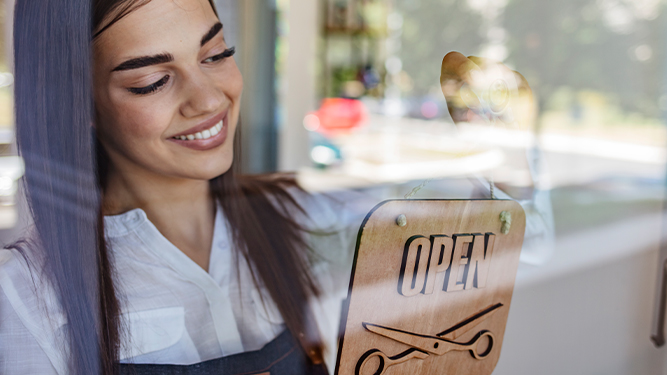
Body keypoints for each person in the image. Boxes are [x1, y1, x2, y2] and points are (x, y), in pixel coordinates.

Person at [0, 0, 553, 374]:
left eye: (216, 54)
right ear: (78, 102)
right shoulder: (25, 297)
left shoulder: (299, 217)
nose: (208, 98)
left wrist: (509, 152)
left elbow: (522, 248)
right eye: (152, 81)